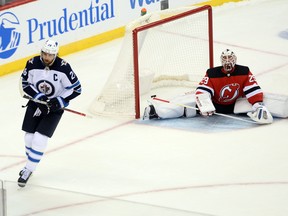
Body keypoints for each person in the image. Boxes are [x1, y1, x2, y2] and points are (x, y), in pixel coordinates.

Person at [143, 49, 274, 124]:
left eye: (230, 59)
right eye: (225, 59)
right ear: (221, 61)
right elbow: (202, 90)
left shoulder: (244, 71)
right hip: (215, 105)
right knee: (187, 107)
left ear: (235, 60)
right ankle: (156, 111)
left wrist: (258, 105)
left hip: (236, 104)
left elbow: (252, 88)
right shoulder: (212, 73)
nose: (228, 62)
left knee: (264, 102)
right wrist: (205, 105)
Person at [18, 39, 82, 187]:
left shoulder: (63, 67)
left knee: (39, 139)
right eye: (45, 53)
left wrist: (59, 101)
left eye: (50, 55)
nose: (47, 57)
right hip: (36, 103)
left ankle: (28, 169)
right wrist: (39, 97)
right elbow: (25, 84)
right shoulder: (32, 63)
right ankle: (31, 163)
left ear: (56, 55)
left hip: (54, 108)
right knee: (28, 138)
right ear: (41, 52)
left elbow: (76, 89)